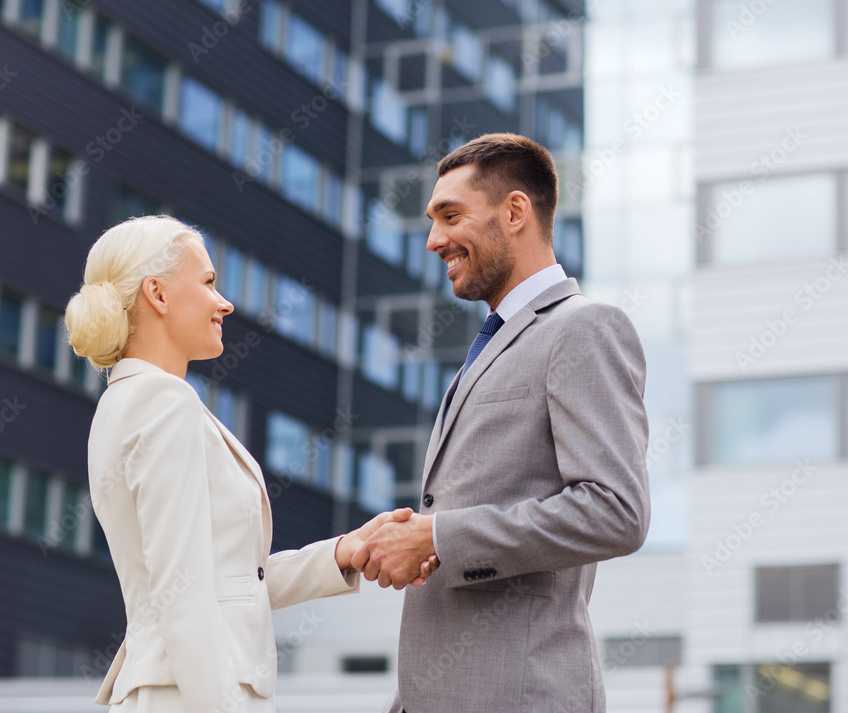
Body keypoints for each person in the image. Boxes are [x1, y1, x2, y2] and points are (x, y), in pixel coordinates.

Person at [64, 215, 436, 713]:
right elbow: (184, 593)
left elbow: (228, 581)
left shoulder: (127, 400)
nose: (226, 302)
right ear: (157, 294)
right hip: (190, 695)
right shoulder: (164, 402)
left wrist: (344, 552)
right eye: (209, 282)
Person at [351, 133, 652, 713]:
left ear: (515, 212)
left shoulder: (583, 328)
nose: (435, 240)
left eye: (451, 215)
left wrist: (438, 536)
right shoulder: (492, 347)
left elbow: (618, 511)